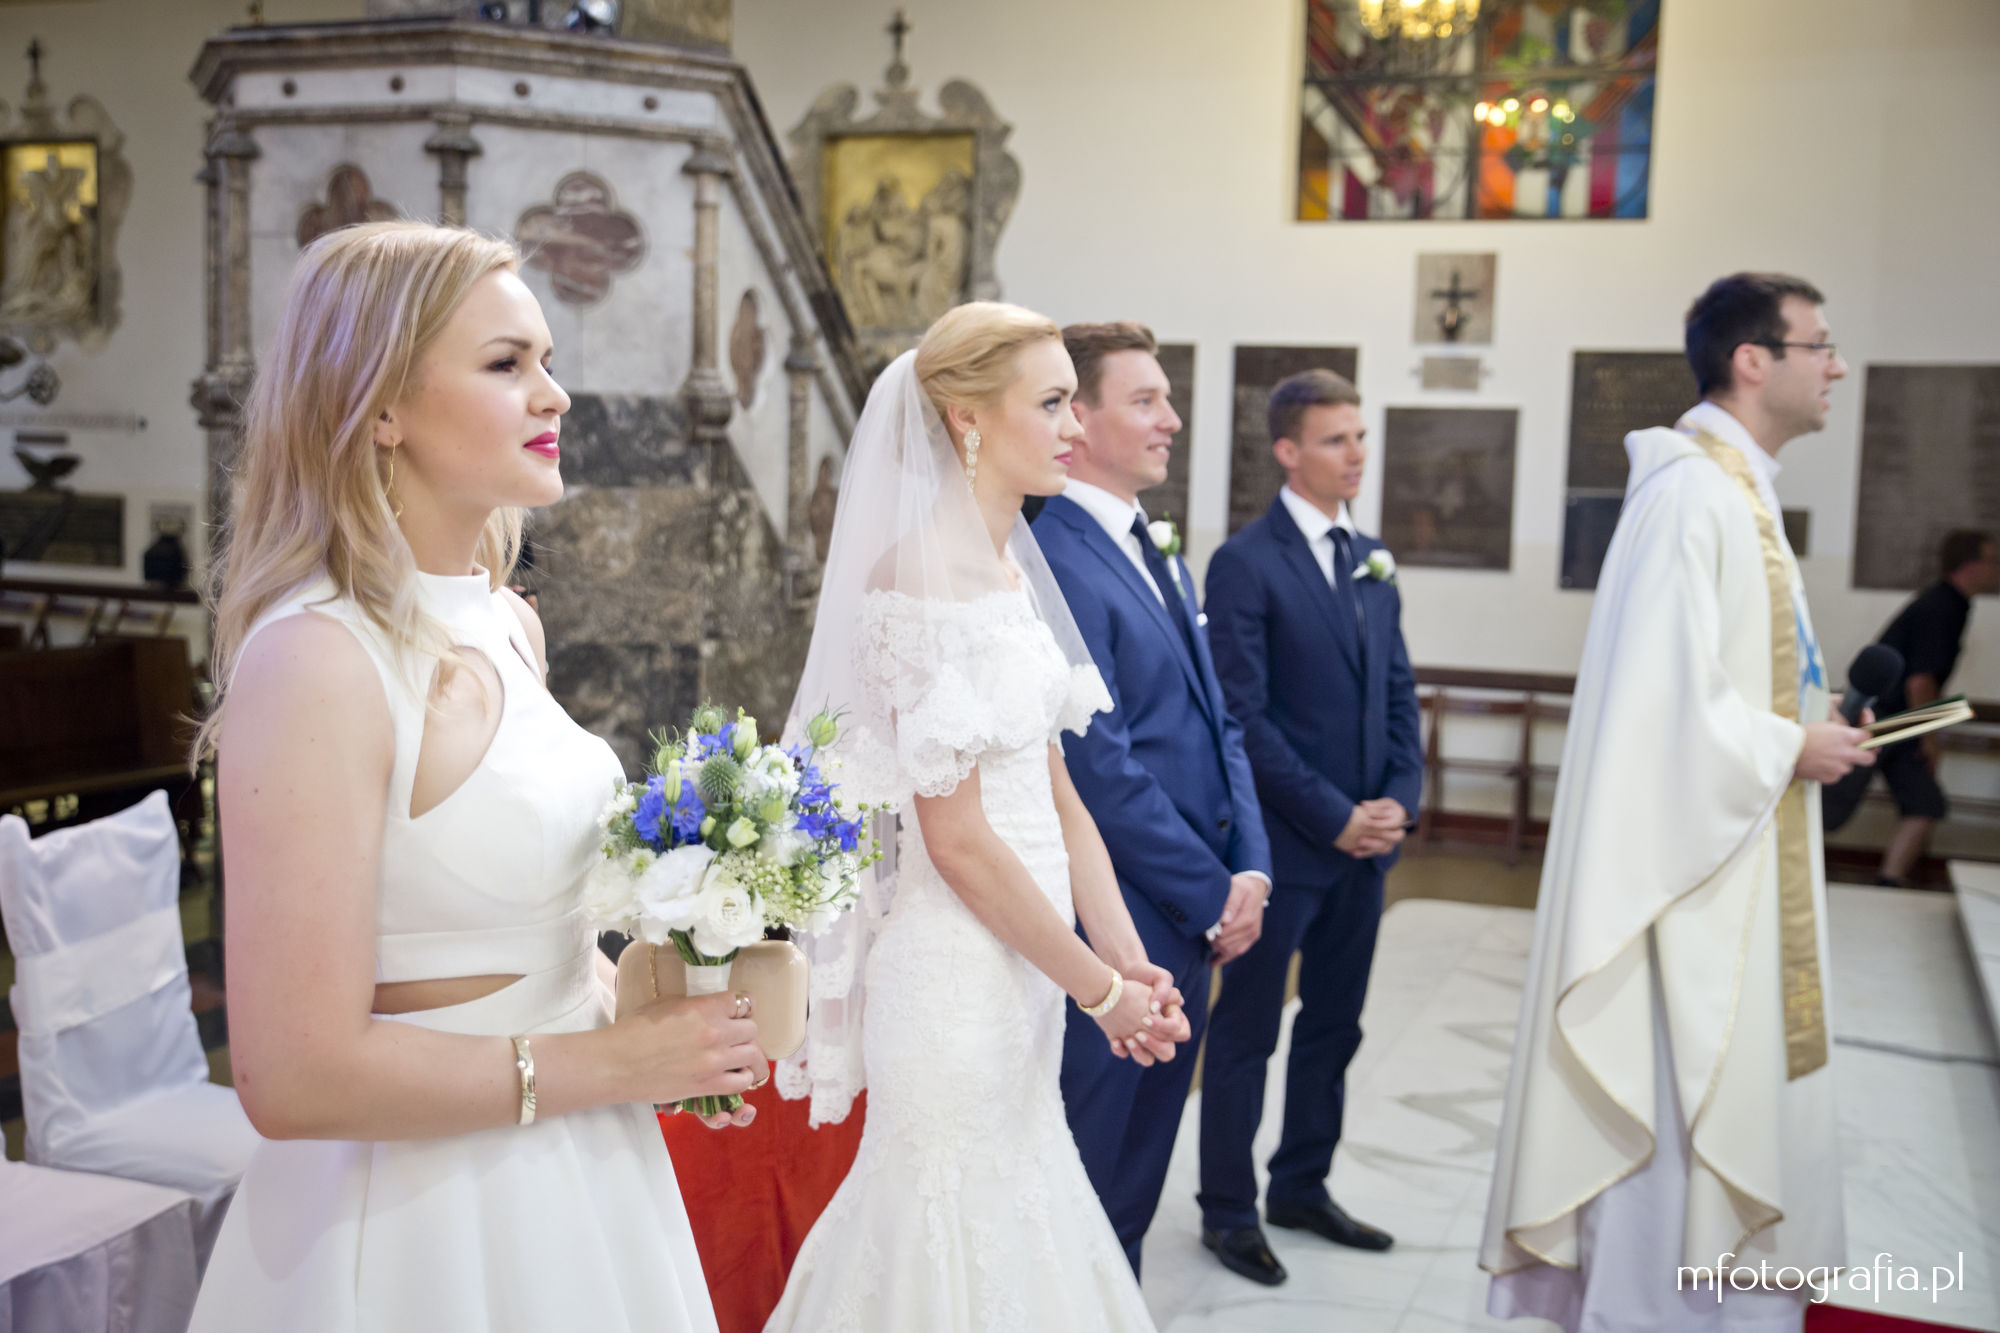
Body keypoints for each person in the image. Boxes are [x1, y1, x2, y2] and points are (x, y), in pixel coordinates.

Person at [188, 222, 760, 1332]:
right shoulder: (317, 659)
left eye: (547, 359)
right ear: (381, 407)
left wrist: (667, 1023)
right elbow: (290, 1075)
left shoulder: (506, 622)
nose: (554, 394)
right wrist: (611, 1065)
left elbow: (518, 937)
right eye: (506, 363)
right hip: (418, 1217)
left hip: (583, 1180)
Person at [766, 302, 1192, 1331]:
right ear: (965, 417)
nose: (1073, 427)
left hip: (1028, 969)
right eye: (1051, 404)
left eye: (1072, 403)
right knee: (942, 1232)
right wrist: (1098, 991)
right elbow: (955, 840)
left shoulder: (1009, 571)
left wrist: (1126, 963)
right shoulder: (910, 582)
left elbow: (1058, 796)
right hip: (952, 978)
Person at [1481, 273, 1875, 1332]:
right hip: (1683, 892)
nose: (1836, 367)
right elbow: (1658, 712)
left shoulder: (1737, 490)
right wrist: (1788, 744)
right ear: (1753, 360)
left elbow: (1726, 679)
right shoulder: (1691, 495)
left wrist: (1813, 720)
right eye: (1819, 346)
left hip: (1733, 857)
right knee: (1674, 1108)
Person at [1031, 321, 1272, 1276]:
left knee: (1137, 1178)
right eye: (1146, 401)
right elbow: (1099, 766)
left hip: (1193, 914)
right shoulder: (1054, 555)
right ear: (1079, 418)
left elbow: (1221, 722)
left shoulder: (1155, 547)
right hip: (1121, 919)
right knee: (1090, 1173)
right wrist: (1209, 892)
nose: (1172, 419)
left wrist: (1250, 868)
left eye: (1167, 399)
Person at [1197, 369, 1422, 1285]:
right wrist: (1335, 817)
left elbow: (1399, 691)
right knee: (1249, 1031)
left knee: (1334, 1026)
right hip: (1286, 850)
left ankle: (1301, 1184)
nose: (1356, 453)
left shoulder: (1372, 557)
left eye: (1360, 436)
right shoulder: (1246, 562)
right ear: (1288, 451)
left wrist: (1399, 797)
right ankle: (1227, 1208)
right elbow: (1244, 719)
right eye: (1336, 439)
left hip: (1366, 853)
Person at [1822, 528, 1998, 883]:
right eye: (1992, 561)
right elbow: (1920, 681)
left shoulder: (1954, 603)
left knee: (1925, 803)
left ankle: (1890, 882)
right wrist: (1930, 738)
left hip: (1904, 718)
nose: (1997, 569)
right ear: (1970, 565)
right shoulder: (1942, 606)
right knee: (1830, 805)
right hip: (1883, 718)